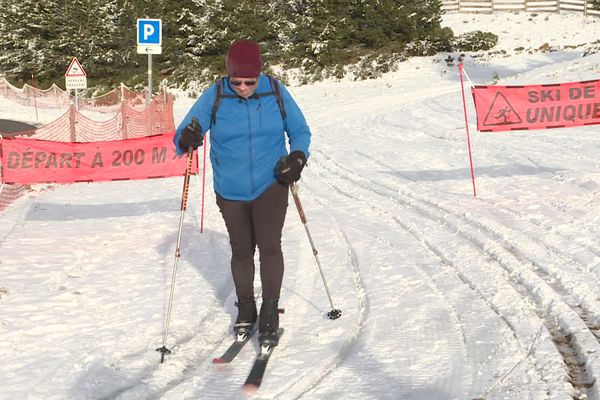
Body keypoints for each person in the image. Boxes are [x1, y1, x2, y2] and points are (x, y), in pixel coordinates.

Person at [173, 39, 311, 345]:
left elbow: (300, 130)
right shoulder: (217, 94)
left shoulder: (274, 90)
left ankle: (271, 310)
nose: (244, 87)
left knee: (270, 246)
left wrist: (297, 157)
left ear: (260, 74)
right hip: (230, 189)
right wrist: (188, 137)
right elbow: (183, 134)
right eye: (238, 81)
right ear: (228, 74)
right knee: (242, 250)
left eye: (250, 81)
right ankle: (246, 307)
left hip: (270, 184)